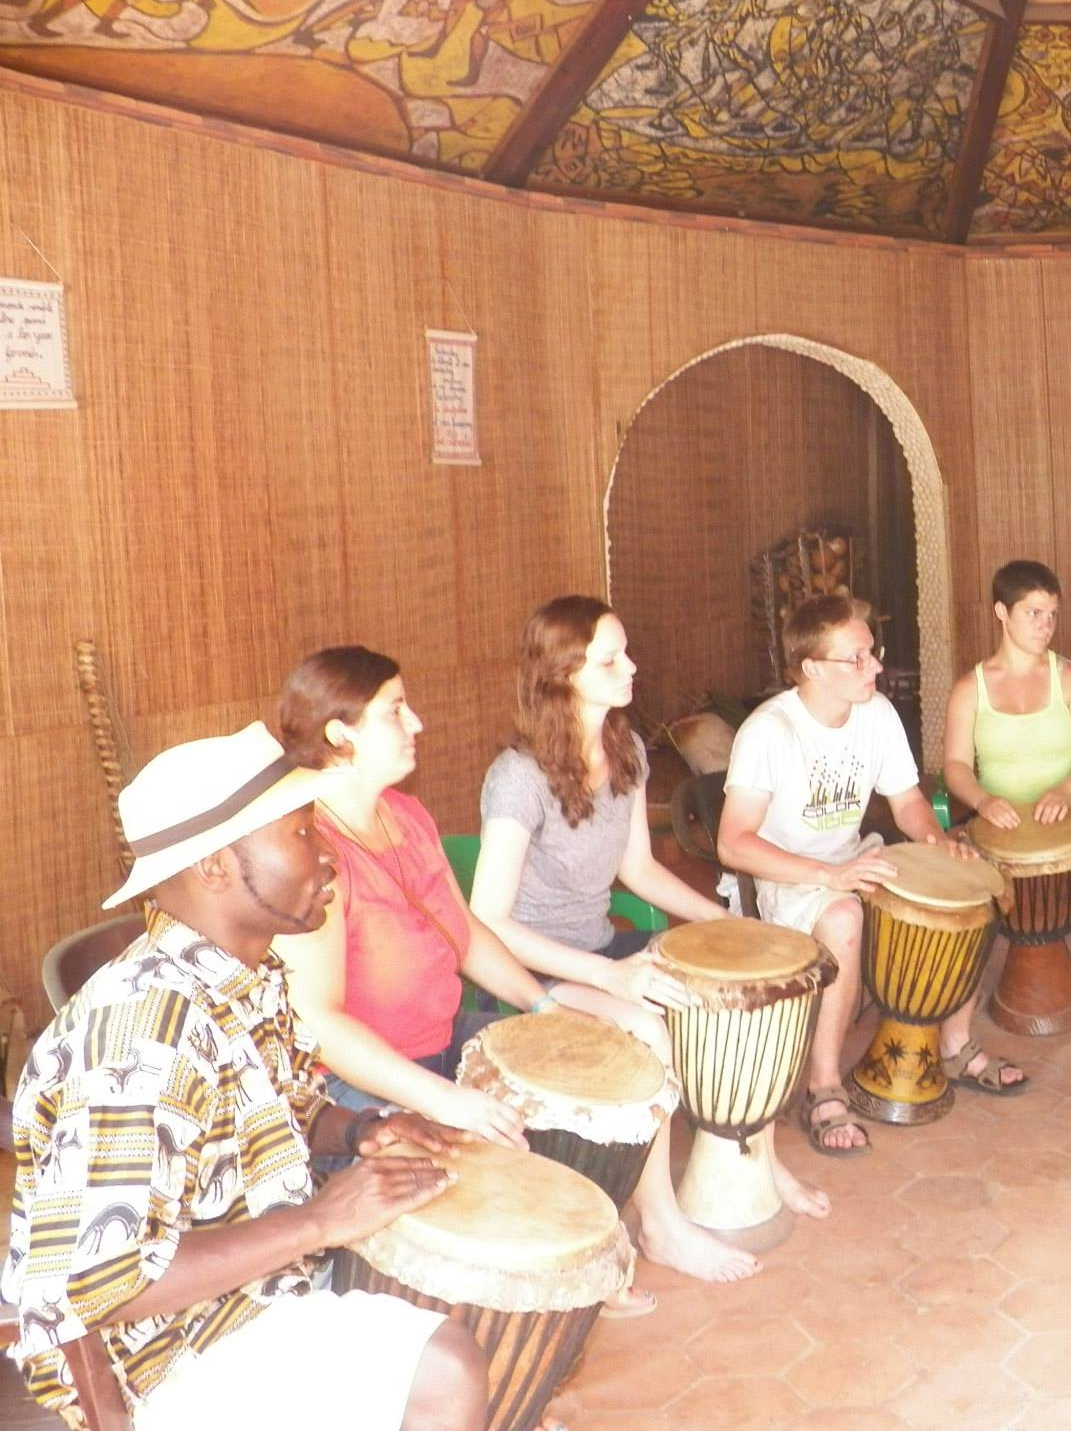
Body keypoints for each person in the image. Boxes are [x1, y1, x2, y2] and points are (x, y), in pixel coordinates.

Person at [4, 724, 486, 1431]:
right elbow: (105, 1285)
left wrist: (361, 1130)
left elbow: (278, 1102)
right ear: (214, 867)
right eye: (301, 833)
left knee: (449, 1298)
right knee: (446, 1367)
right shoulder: (146, 1034)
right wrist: (321, 1220)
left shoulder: (244, 975)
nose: (328, 856)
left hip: (249, 1287)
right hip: (153, 1358)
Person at [270, 645, 752, 1300]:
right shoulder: (313, 851)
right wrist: (443, 1100)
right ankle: (540, 1286)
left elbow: (466, 935)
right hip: (356, 1087)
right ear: (339, 733)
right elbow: (319, 1023)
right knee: (473, 1184)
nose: (417, 724)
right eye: (396, 711)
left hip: (444, 1039)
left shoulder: (405, 816)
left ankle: (652, 1227)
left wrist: (545, 1008)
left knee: (609, 1047)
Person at [468, 598, 824, 1279]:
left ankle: (761, 1164)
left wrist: (724, 922)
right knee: (648, 1027)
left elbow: (639, 870)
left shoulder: (625, 749)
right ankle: (661, 1223)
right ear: (563, 676)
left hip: (599, 949)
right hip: (528, 970)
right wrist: (608, 977)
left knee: (735, 995)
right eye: (610, 661)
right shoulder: (518, 777)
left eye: (625, 653)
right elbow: (488, 920)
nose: (631, 667)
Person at [718, 593, 1028, 1157]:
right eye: (857, 658)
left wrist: (939, 845)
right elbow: (734, 842)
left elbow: (908, 803)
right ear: (812, 667)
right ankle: (823, 1087)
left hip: (855, 857)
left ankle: (955, 1043)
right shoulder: (769, 731)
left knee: (965, 887)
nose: (876, 667)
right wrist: (830, 876)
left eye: (872, 653)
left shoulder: (877, 713)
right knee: (842, 915)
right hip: (786, 873)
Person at [941, 561, 1071, 1027]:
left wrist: (1066, 790)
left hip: (1068, 822)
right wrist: (983, 801)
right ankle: (959, 1008)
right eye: (1033, 613)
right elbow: (955, 766)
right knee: (948, 888)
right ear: (1001, 612)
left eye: (1052, 614)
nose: (1045, 625)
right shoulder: (970, 689)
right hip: (994, 828)